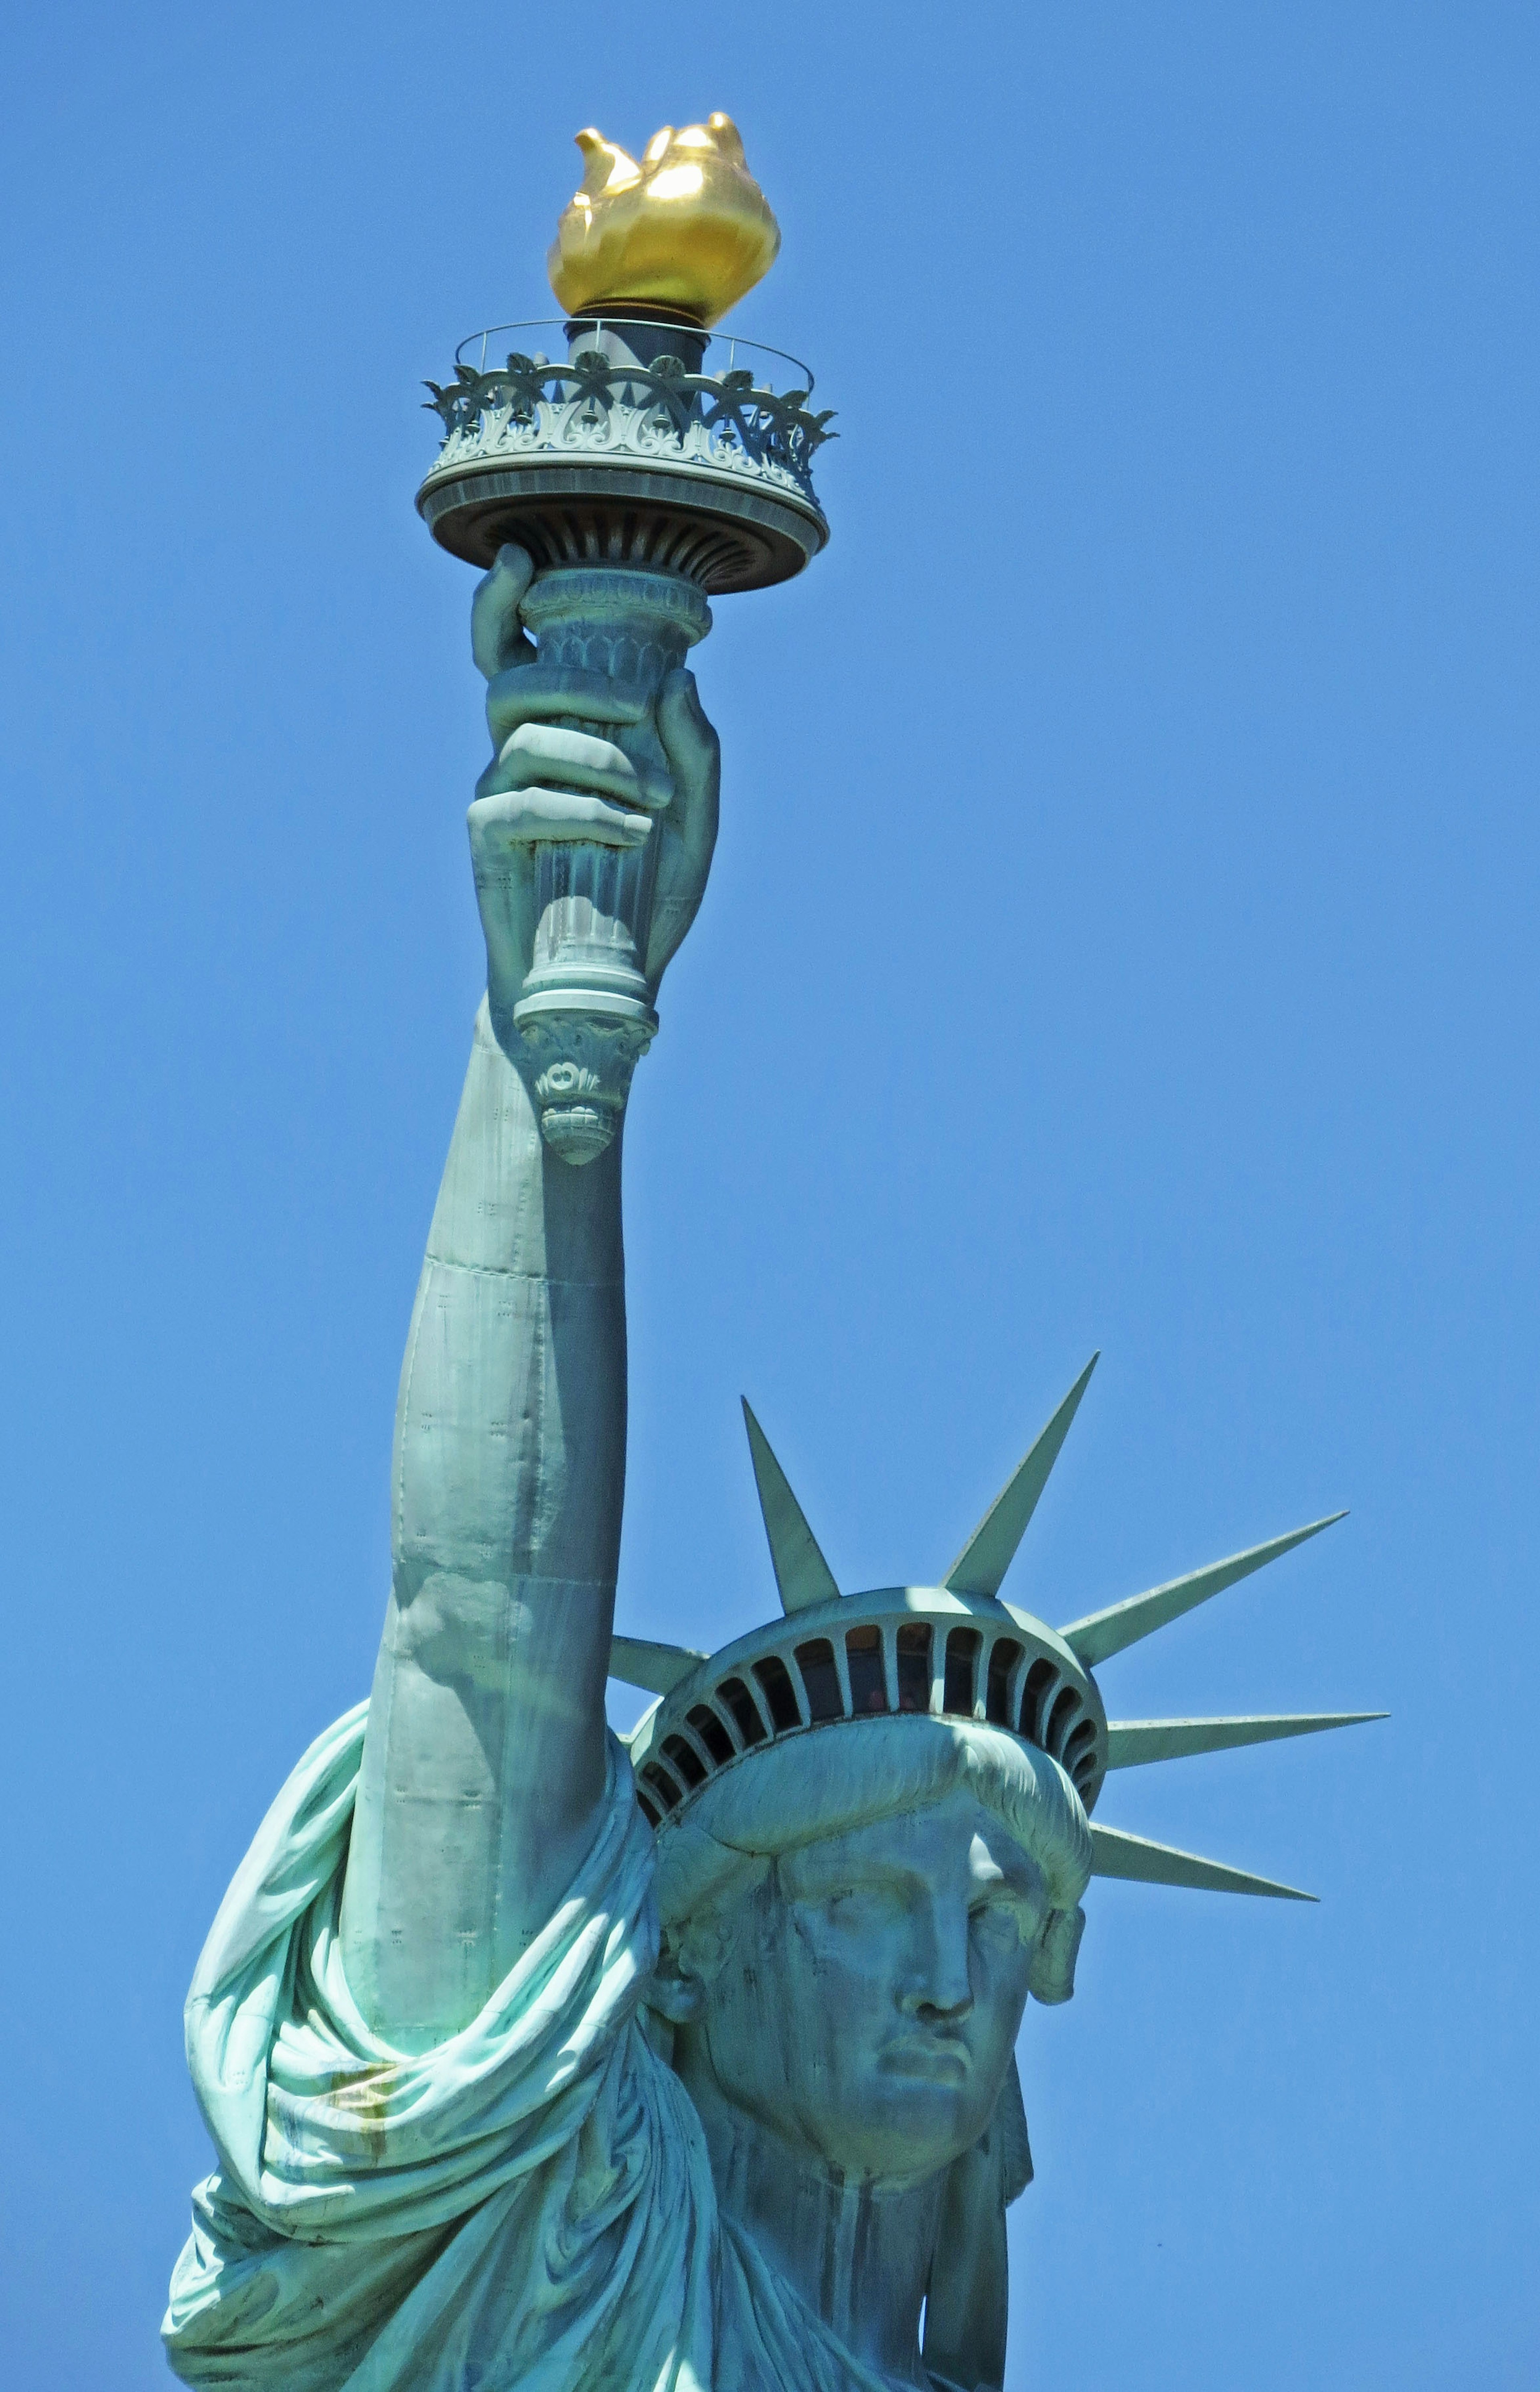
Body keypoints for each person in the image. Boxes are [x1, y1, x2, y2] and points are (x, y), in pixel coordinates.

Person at [163, 548, 1092, 2392]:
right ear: (664, 1959)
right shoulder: (543, 2242)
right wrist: (559, 1022)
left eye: (993, 1918)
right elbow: (478, 1638)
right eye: (866, 1905)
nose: (944, 1981)